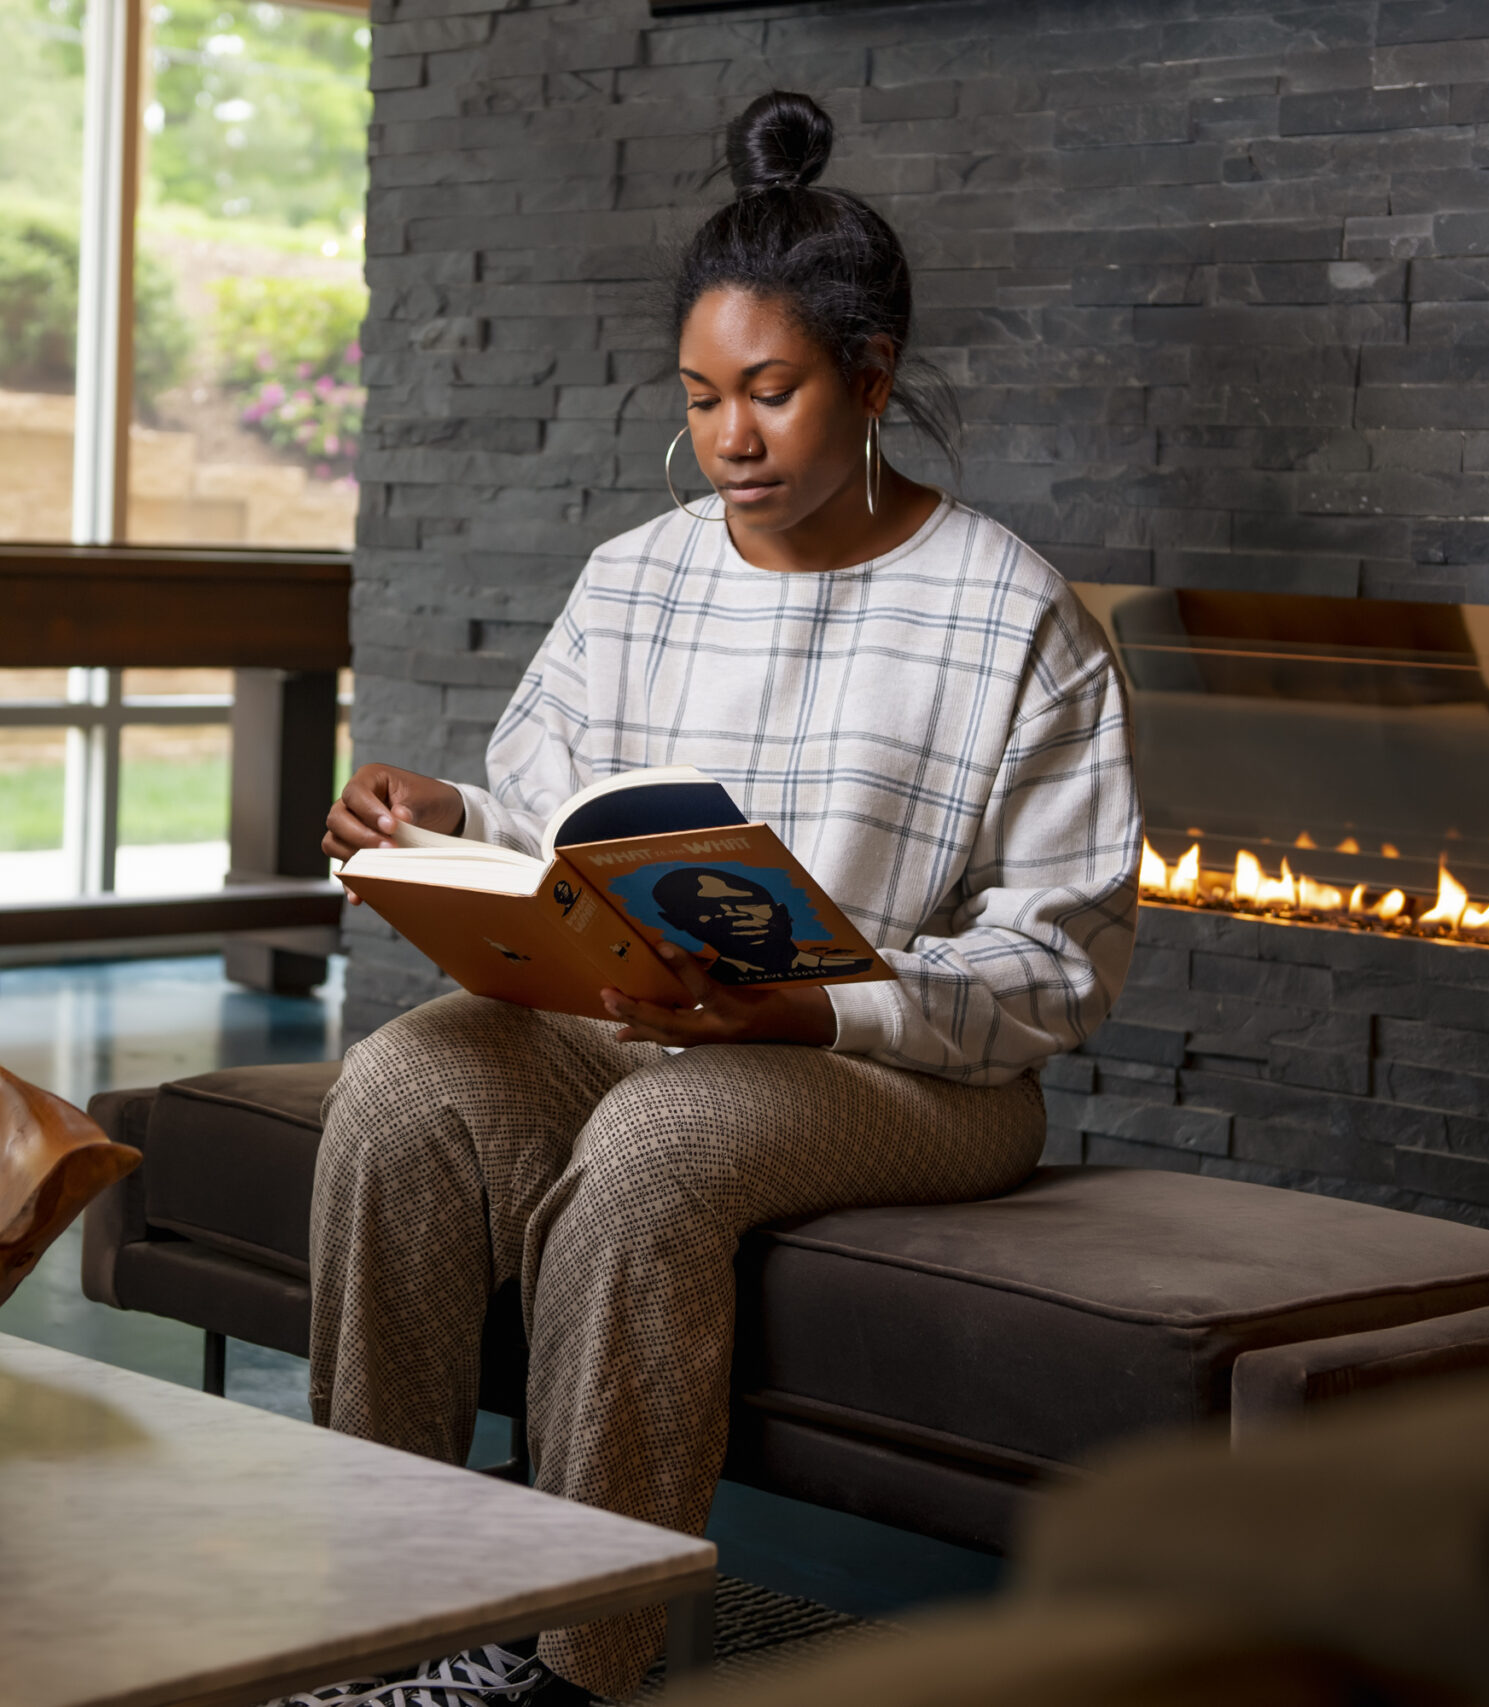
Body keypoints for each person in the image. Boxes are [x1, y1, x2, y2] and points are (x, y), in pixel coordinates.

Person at [282, 90, 1141, 1707]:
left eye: (772, 393)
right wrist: (445, 815)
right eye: (701, 400)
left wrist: (814, 999)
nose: (731, 438)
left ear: (870, 378)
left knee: (658, 1147)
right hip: (635, 1019)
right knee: (401, 1088)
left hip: (902, 1073)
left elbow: (1062, 961)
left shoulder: (1015, 611)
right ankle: (377, 1617)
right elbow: (554, 822)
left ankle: (579, 1662)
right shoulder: (638, 573)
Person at [646, 865, 872, 982]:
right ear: (678, 923)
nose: (733, 916)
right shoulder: (698, 985)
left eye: (745, 903)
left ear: (782, 913)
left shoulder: (857, 968)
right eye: (705, 911)